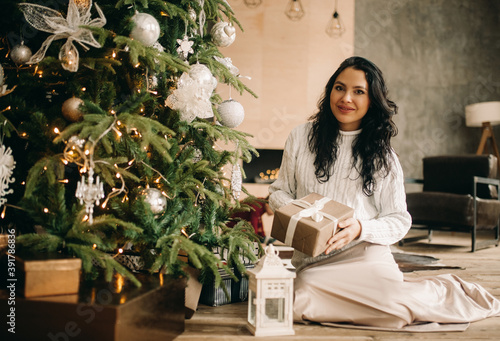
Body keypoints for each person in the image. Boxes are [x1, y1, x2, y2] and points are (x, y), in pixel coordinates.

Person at [268, 56, 500, 331]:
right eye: (340, 88)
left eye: (359, 92)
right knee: (297, 304)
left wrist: (359, 228)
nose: (346, 98)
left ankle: (442, 290)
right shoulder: (301, 137)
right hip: (314, 261)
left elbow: (400, 220)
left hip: (364, 254)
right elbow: (278, 192)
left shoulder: (383, 157)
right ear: (330, 90)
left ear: (371, 101)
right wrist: (303, 213)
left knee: (394, 314)